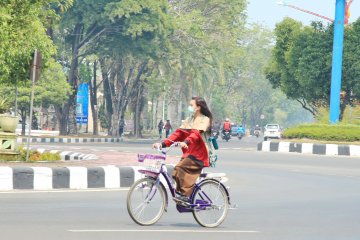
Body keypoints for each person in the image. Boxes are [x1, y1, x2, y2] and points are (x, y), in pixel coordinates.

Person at [153, 97, 212, 203]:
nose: (189, 107)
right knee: (176, 172)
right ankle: (182, 196)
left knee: (179, 168)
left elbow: (196, 134)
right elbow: (177, 134)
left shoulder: (204, 119)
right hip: (190, 153)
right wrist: (162, 144)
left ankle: (185, 195)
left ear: (198, 107)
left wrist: (186, 142)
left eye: (191, 105)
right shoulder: (188, 120)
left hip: (200, 154)